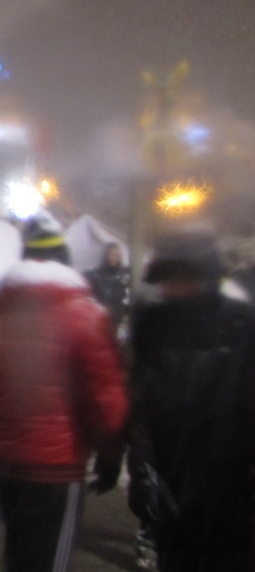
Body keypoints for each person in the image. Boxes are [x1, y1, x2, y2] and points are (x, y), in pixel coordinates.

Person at [0, 212, 128, 572]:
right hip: (58, 464)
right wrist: (110, 451)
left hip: (3, 460)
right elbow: (105, 396)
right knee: (48, 559)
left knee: (21, 551)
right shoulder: (86, 317)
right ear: (64, 260)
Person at [126, 229, 255, 571]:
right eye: (169, 280)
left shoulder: (241, 323)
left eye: (185, 278)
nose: (176, 289)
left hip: (230, 480)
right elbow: (140, 397)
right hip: (172, 475)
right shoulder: (152, 323)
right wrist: (141, 459)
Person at [85, 242, 131, 341]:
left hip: (119, 318)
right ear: (105, 255)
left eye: (117, 255)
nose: (114, 258)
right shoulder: (95, 275)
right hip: (100, 318)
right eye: (111, 254)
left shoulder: (126, 274)